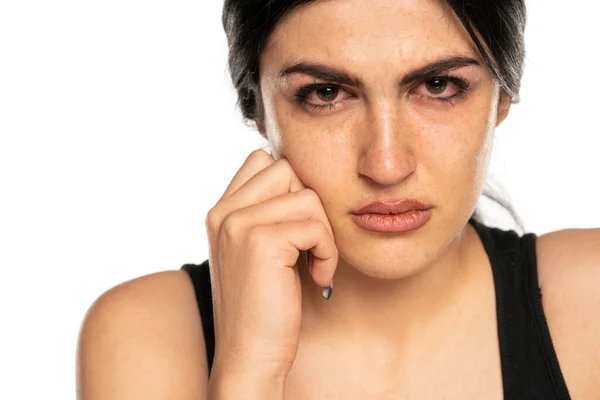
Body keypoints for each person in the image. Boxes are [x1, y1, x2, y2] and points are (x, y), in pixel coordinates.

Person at [76, 0, 600, 398]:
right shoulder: (143, 334)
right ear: (257, 109)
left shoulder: (589, 301)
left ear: (503, 96)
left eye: (438, 85)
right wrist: (249, 368)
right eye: (325, 93)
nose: (387, 165)